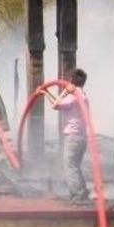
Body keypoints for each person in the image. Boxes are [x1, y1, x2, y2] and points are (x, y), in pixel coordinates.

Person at [43, 68, 90, 202]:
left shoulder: (74, 96)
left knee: (70, 166)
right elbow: (58, 104)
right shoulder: (82, 94)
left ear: (71, 81)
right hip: (81, 136)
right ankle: (83, 191)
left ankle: (78, 195)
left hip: (73, 136)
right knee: (75, 166)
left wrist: (62, 91)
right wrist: (46, 92)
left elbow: (56, 105)